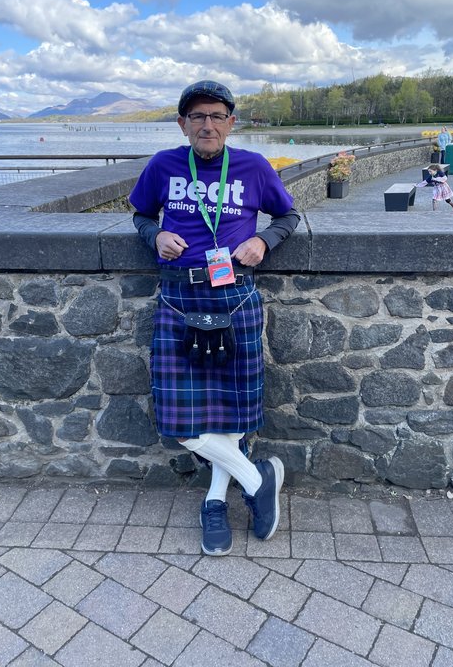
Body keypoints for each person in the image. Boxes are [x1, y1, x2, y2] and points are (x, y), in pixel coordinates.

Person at [129, 80, 300, 556]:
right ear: (183, 123)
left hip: (236, 296)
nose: (208, 125)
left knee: (231, 412)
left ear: (231, 122)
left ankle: (213, 503)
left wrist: (265, 242)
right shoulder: (163, 165)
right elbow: (140, 216)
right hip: (179, 298)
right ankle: (256, 478)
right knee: (180, 420)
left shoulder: (254, 167)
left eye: (217, 116)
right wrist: (155, 235)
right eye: (198, 116)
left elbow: (288, 216)